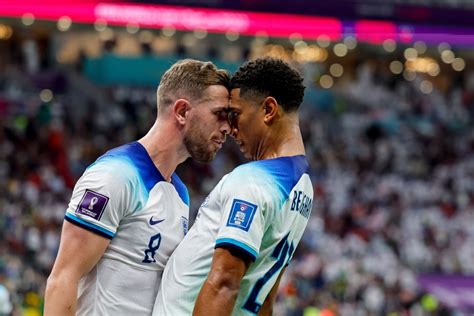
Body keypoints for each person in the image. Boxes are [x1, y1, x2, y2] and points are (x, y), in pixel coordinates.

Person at [44, 59, 231, 316]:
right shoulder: (115, 175)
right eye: (219, 114)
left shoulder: (180, 193)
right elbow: (62, 279)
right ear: (182, 111)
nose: (227, 128)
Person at [153, 57, 313, 315]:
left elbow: (225, 284)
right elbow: (267, 297)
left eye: (236, 115)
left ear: (268, 109)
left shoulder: (252, 181)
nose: (230, 128)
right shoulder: (304, 187)